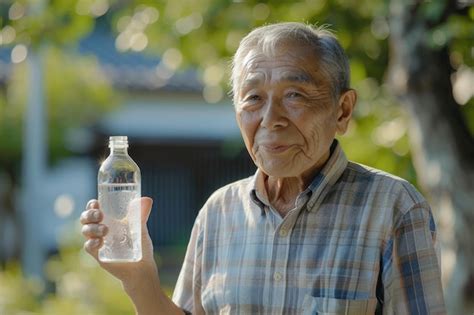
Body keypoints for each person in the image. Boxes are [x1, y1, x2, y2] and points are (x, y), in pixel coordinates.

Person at [80, 22, 446, 314]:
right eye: (253, 98)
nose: (271, 119)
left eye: (295, 96)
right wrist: (138, 277)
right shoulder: (218, 213)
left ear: (343, 110)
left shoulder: (394, 208)